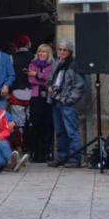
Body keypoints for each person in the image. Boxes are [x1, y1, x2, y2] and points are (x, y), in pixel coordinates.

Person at [47, 40, 86, 168]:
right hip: (55, 100)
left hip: (67, 103)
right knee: (59, 131)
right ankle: (62, 157)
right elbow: (51, 79)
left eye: (65, 50)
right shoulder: (56, 63)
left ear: (70, 52)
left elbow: (79, 86)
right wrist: (49, 87)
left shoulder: (74, 65)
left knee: (72, 132)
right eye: (60, 49)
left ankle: (75, 159)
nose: (62, 52)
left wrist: (69, 100)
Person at [26, 44, 54, 163]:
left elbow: (49, 78)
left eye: (45, 52)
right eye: (40, 52)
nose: (42, 54)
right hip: (35, 97)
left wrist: (37, 75)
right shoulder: (32, 64)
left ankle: (47, 151)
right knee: (35, 125)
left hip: (47, 99)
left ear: (49, 54)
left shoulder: (52, 65)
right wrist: (41, 78)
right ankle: (35, 152)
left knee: (47, 125)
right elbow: (31, 79)